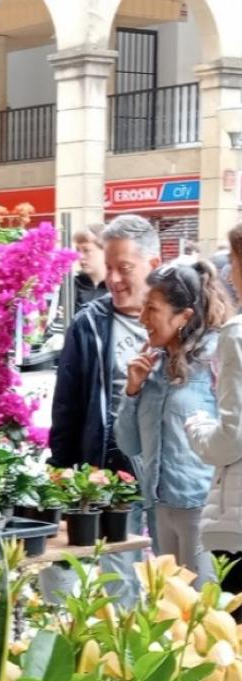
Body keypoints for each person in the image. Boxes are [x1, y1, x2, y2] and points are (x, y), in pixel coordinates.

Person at [50, 213, 162, 607]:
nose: (113, 279)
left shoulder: (185, 321)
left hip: (174, 469)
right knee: (119, 573)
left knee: (177, 573)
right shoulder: (89, 325)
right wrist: (62, 472)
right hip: (114, 467)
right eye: (109, 267)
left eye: (124, 268)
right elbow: (66, 408)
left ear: (153, 264)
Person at [114, 261, 231, 586]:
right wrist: (132, 390)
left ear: (184, 316)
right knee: (171, 612)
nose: (142, 319)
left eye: (152, 309)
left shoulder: (217, 361)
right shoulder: (151, 364)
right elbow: (129, 445)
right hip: (159, 505)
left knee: (204, 616)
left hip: (203, 510)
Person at [186, 222, 242, 598]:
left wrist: (197, 426)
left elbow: (231, 440)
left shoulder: (236, 335)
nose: (227, 273)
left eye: (233, 260)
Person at [72, 224, 108, 316]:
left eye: (86, 250)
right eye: (77, 250)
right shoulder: (72, 284)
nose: (80, 256)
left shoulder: (118, 286)